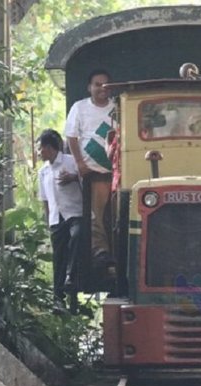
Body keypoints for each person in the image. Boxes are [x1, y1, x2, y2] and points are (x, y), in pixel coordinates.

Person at [65, 69, 116, 266]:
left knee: (115, 215)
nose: (102, 88)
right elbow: (71, 136)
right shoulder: (79, 107)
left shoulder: (117, 108)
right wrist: (79, 163)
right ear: (89, 87)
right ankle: (101, 252)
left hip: (116, 172)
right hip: (93, 172)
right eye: (97, 84)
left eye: (105, 84)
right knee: (96, 214)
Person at [37, 129, 83, 313]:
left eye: (40, 148)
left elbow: (86, 179)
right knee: (58, 257)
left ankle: (72, 278)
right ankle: (58, 299)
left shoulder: (71, 162)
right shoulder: (43, 172)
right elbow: (45, 200)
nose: (39, 153)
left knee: (77, 236)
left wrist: (73, 178)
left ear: (49, 148)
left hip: (75, 213)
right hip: (57, 218)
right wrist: (49, 220)